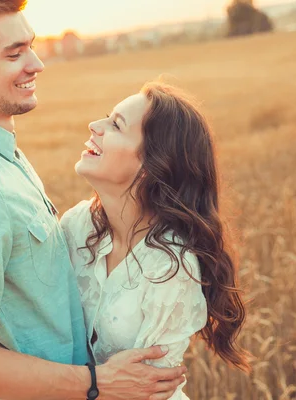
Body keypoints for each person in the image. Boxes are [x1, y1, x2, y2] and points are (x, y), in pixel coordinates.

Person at [0, 1, 186, 399]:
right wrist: (96, 384)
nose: (36, 63)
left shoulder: (1, 157)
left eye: (30, 46)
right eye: (14, 54)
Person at [60, 81, 252, 399]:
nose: (94, 126)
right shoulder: (76, 226)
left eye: (115, 125)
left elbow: (146, 390)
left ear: (150, 166)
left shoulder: (172, 265)